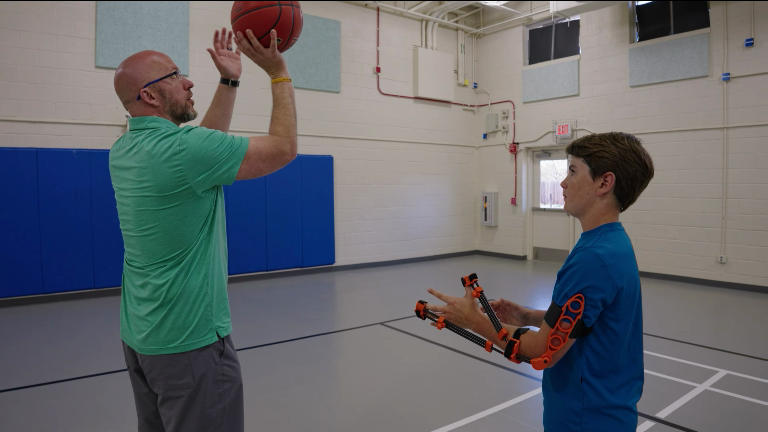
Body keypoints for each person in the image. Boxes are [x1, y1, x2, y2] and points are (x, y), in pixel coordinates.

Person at [110, 27, 297, 432]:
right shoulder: (184, 151)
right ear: (150, 95)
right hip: (189, 342)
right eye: (176, 76)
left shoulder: (124, 149)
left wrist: (229, 81)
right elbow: (283, 148)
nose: (189, 81)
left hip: (142, 338)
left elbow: (204, 146)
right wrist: (278, 73)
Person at [427, 132, 654, 432]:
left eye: (573, 172)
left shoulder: (591, 258)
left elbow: (541, 351)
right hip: (609, 411)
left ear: (604, 182)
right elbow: (587, 323)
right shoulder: (614, 245)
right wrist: (528, 316)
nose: (563, 183)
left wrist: (474, 321)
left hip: (584, 418)